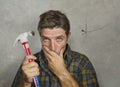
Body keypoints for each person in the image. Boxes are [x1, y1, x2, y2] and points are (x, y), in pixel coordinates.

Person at [12, 10, 99, 87]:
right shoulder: (29, 64)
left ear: (68, 36)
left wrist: (62, 73)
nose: (52, 47)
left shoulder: (82, 62)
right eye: (46, 39)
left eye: (59, 39)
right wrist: (25, 82)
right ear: (40, 38)